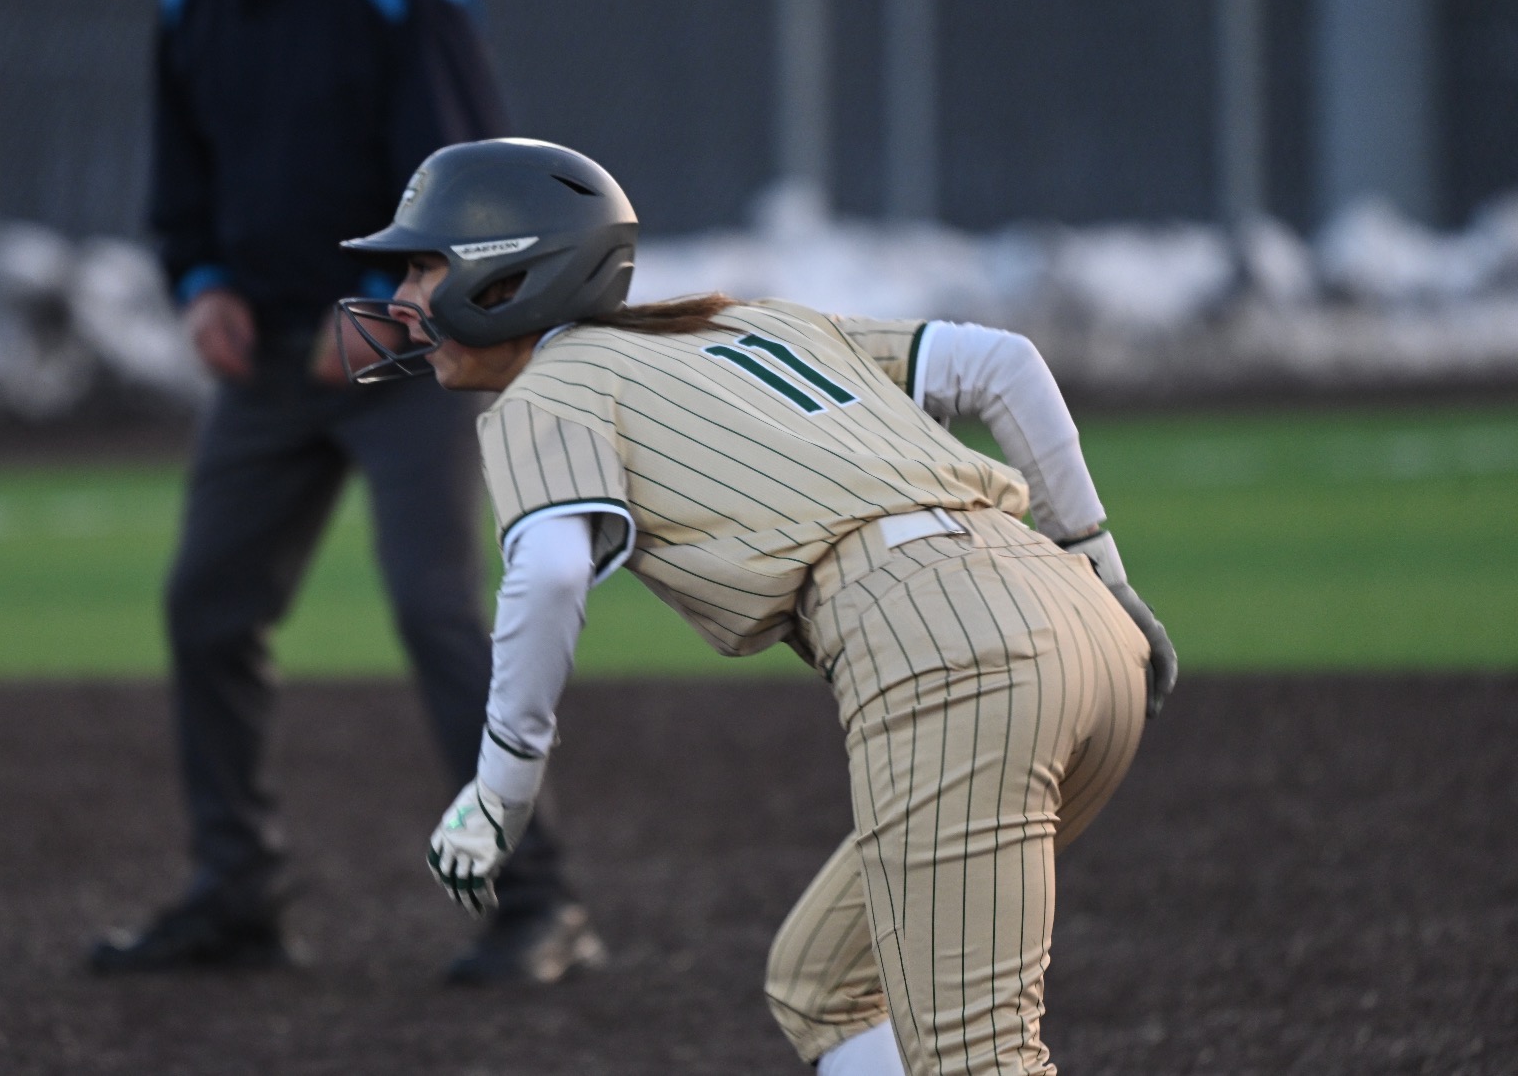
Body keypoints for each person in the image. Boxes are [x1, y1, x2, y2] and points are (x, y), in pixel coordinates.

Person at [335, 138, 1178, 1075]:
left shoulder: (552, 386)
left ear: (507, 276)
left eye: (424, 264)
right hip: (1081, 629)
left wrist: (501, 788)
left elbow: (552, 573)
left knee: (980, 1063)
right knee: (820, 987)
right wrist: (1095, 562)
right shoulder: (749, 322)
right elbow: (1001, 364)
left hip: (951, 653)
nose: (404, 296)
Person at [88, 0, 602, 985]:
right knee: (209, 609)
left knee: (433, 608)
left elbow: (475, 188)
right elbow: (183, 164)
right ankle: (237, 896)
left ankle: (541, 903)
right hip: (266, 355)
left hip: (408, 353)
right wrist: (201, 280)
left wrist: (381, 307)